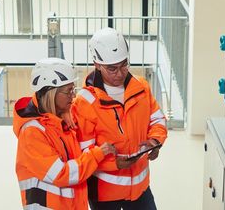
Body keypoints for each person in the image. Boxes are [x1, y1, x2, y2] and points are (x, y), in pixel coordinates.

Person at [72, 28, 168, 210]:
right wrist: (113, 163)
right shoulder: (84, 102)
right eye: (112, 68)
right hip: (104, 196)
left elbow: (157, 120)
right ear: (97, 64)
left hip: (140, 189)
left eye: (124, 65)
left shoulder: (141, 88)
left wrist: (155, 141)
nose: (120, 73)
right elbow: (84, 151)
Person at [14, 57, 117, 209]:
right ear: (52, 93)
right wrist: (98, 153)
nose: (73, 96)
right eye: (68, 91)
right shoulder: (32, 133)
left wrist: (65, 112)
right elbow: (63, 174)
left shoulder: (59, 123)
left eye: (73, 90)